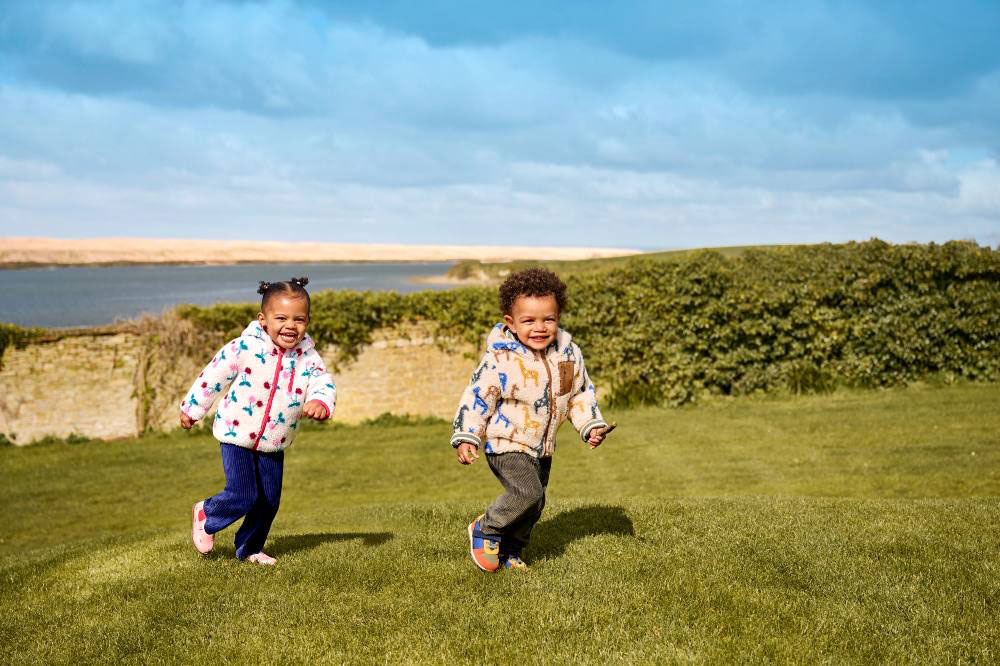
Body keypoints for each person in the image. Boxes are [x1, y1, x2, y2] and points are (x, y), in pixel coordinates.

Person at [451, 268, 613, 571]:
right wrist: (466, 435)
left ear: (559, 317)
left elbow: (578, 394)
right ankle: (486, 529)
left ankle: (510, 552)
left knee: (534, 505)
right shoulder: (500, 360)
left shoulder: (568, 354)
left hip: (543, 447)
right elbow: (476, 398)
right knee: (527, 492)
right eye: (529, 321)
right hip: (507, 443)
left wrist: (591, 425)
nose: (540, 327)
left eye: (548, 319)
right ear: (511, 322)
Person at [181, 277, 335, 565]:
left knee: (268, 502)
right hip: (236, 433)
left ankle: (250, 548)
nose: (291, 325)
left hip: (275, 440)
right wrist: (192, 408)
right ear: (263, 320)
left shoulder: (308, 357)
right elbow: (214, 376)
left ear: (308, 321)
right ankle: (207, 513)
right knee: (244, 494)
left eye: (299, 319)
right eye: (282, 318)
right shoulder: (244, 348)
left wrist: (321, 402)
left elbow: (322, 382)